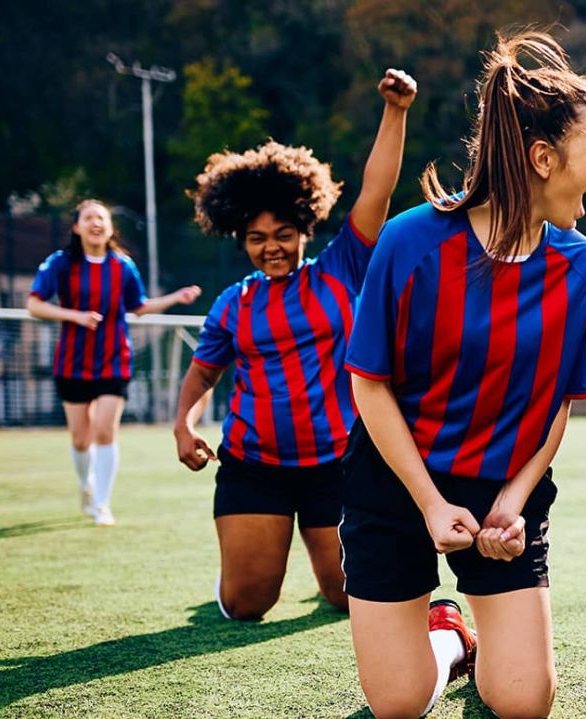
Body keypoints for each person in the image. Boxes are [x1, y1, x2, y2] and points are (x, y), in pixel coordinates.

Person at [341, 31, 586, 719]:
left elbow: (558, 403)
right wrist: (430, 504)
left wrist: (513, 504)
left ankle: (473, 636)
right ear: (542, 158)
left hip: (502, 485)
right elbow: (369, 383)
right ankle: (450, 637)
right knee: (399, 705)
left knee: (523, 702)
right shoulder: (411, 241)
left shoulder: (581, 266)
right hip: (397, 480)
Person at [171, 68, 417, 620]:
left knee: (347, 596)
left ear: (305, 229)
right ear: (241, 240)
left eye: (283, 235)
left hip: (336, 463)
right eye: (257, 239)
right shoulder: (232, 304)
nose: (272, 248)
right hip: (254, 465)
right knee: (247, 604)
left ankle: (324, 561)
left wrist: (395, 111)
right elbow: (204, 372)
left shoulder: (341, 269)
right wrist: (184, 425)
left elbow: (376, 191)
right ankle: (242, 565)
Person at [27, 199, 201, 526]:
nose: (96, 223)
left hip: (114, 360)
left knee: (105, 431)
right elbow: (34, 305)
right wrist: (74, 316)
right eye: (89, 218)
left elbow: (139, 306)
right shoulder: (61, 263)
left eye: (102, 218)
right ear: (77, 227)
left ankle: (103, 504)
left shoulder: (123, 266)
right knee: (81, 439)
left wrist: (175, 298)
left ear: (110, 228)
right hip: (72, 363)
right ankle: (87, 485)